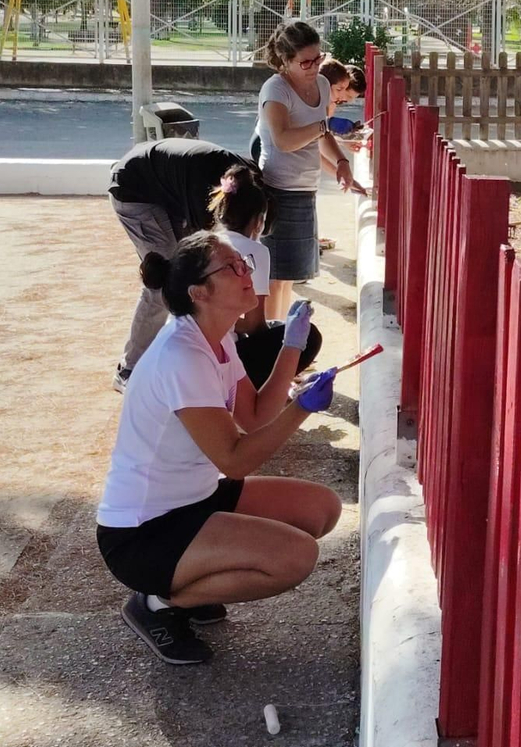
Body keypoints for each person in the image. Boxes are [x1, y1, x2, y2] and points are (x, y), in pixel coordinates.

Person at [96, 232, 341, 665]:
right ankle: (159, 605)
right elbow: (234, 459)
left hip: (197, 497)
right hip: (143, 532)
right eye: (232, 268)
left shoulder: (218, 336)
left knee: (321, 509)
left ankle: (190, 584)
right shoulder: (182, 355)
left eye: (243, 264)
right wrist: (301, 407)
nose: (247, 273)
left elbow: (254, 416)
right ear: (199, 292)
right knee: (296, 558)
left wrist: (292, 348)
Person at [109, 138, 250, 391]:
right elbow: (206, 252)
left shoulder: (245, 179)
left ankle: (192, 355)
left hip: (162, 189)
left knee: (193, 278)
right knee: (166, 283)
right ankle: (129, 368)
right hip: (134, 190)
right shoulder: (205, 196)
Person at [256, 21, 365, 322]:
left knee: (289, 278)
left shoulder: (320, 84)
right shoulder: (275, 89)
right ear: (285, 60)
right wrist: (321, 128)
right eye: (306, 62)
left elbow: (322, 135)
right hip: (279, 190)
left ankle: (280, 340)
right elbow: (283, 140)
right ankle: (271, 344)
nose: (314, 66)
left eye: (318, 58)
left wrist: (342, 164)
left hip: (305, 188)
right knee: (274, 279)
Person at [206, 163, 322, 387]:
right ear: (259, 221)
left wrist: (224, 319)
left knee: (277, 327)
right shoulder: (255, 251)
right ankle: (272, 388)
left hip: (193, 345)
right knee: (308, 336)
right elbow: (254, 326)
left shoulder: (203, 241)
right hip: (220, 358)